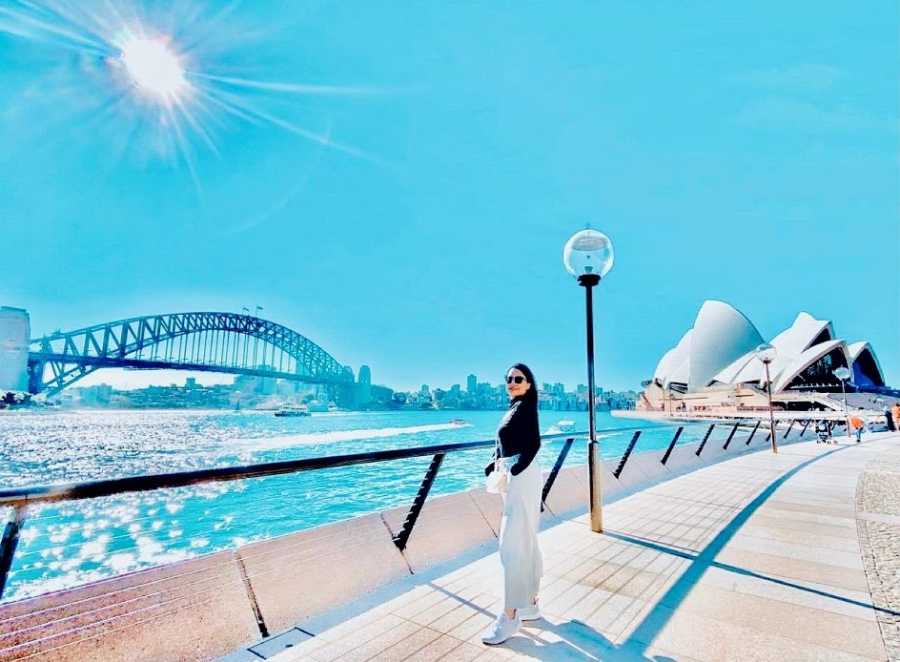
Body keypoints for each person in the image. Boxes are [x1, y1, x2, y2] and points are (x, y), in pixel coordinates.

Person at [481, 363, 543, 646]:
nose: (512, 382)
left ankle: (510, 617)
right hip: (515, 474)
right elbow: (504, 442)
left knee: (511, 545)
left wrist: (514, 471)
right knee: (525, 538)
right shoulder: (514, 407)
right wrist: (493, 463)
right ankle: (529, 603)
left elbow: (534, 444)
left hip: (521, 476)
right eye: (508, 379)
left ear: (529, 383)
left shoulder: (527, 407)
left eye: (518, 378)